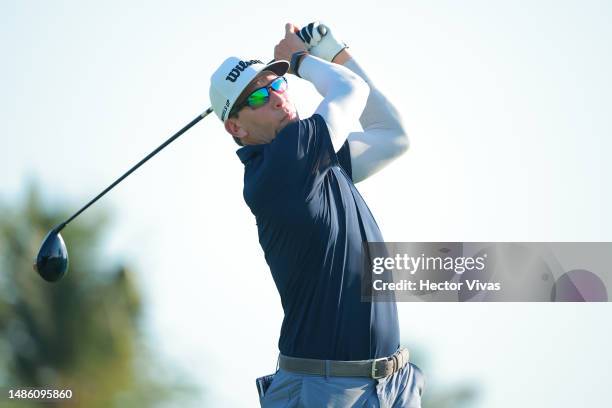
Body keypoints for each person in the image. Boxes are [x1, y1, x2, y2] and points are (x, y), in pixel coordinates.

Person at [208, 21, 425, 407]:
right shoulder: (286, 161)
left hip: (390, 387)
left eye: (278, 83)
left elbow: (392, 135)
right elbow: (350, 90)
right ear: (234, 126)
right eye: (257, 98)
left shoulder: (310, 157)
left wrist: (335, 54)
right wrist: (299, 60)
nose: (276, 97)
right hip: (323, 391)